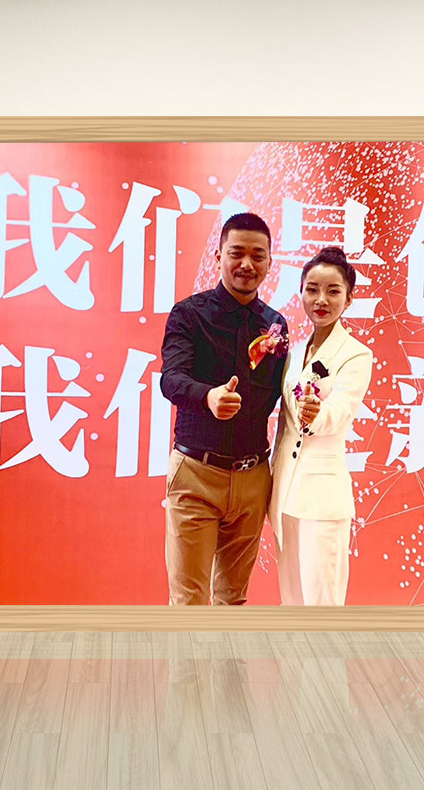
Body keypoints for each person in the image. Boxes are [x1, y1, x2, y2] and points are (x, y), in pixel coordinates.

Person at [160, 212, 288, 605]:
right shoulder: (189, 314)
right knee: (189, 599)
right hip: (197, 474)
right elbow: (170, 379)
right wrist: (208, 397)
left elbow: (277, 392)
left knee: (233, 599)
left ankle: (228, 654)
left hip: (253, 479)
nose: (247, 264)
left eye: (257, 255)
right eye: (237, 253)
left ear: (269, 262)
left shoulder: (276, 325)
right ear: (219, 256)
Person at [269, 246, 373, 605]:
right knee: (292, 600)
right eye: (312, 289)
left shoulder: (356, 353)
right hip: (285, 492)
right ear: (300, 292)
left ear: (349, 298)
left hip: (323, 497)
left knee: (323, 603)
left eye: (333, 291)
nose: (321, 300)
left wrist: (317, 413)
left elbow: (341, 410)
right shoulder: (294, 352)